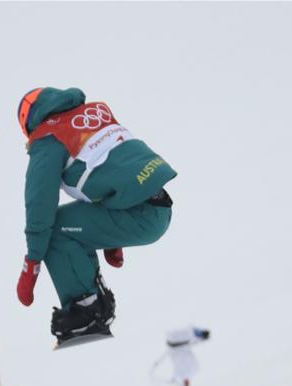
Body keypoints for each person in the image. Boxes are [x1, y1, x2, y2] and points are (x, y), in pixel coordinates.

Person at [14, 87, 177, 345]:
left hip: (141, 215)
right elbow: (116, 164)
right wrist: (112, 237)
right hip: (158, 206)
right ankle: (96, 300)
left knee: (54, 229)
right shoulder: (94, 113)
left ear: (28, 123)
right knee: (65, 224)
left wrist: (31, 263)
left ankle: (86, 311)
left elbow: (39, 207)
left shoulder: (48, 138)